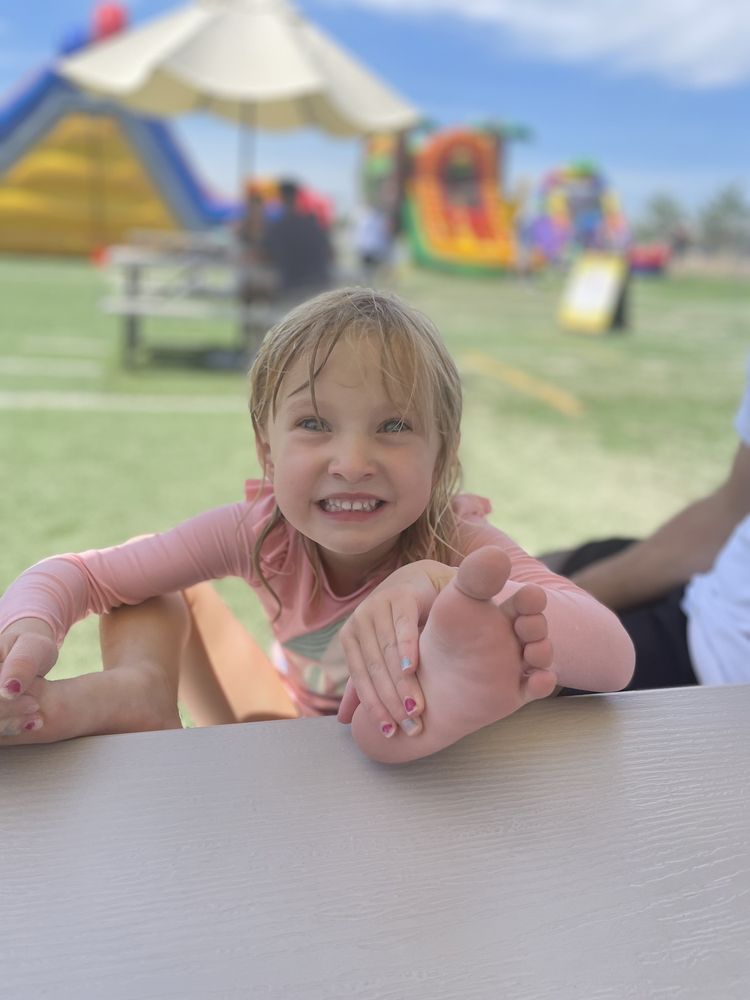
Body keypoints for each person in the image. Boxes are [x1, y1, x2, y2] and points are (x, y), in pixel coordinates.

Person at [0, 288, 634, 762]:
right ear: (266, 451)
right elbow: (80, 574)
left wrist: (440, 584)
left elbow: (614, 656)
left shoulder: (458, 547)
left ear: (443, 453)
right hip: (281, 723)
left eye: (394, 426)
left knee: (473, 624)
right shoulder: (254, 530)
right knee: (147, 573)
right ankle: (140, 690)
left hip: (389, 720)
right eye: (313, 424)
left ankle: (406, 710)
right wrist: (29, 626)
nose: (353, 463)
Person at [544, 361, 750, 694]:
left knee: (498, 701)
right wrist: (564, 599)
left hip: (718, 675)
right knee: (544, 567)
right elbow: (732, 508)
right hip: (708, 603)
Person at [260, 179, 332, 299]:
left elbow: (262, 255)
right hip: (320, 291)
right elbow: (330, 253)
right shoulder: (313, 224)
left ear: (281, 198)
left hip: (292, 291)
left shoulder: (278, 227)